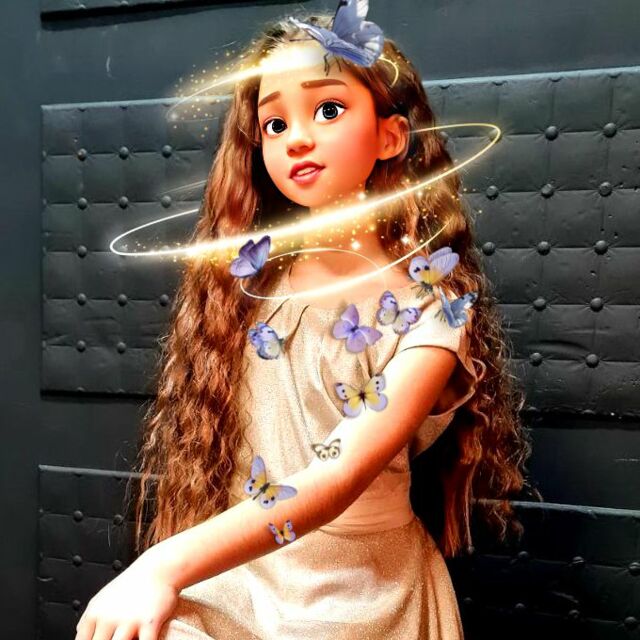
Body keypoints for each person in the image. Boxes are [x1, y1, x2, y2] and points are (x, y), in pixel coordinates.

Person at [74, 7, 539, 640]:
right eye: (275, 122)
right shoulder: (246, 288)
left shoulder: (429, 315)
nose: (296, 138)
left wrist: (162, 565)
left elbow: (336, 476)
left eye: (328, 110)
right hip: (246, 580)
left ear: (390, 137)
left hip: (364, 597)